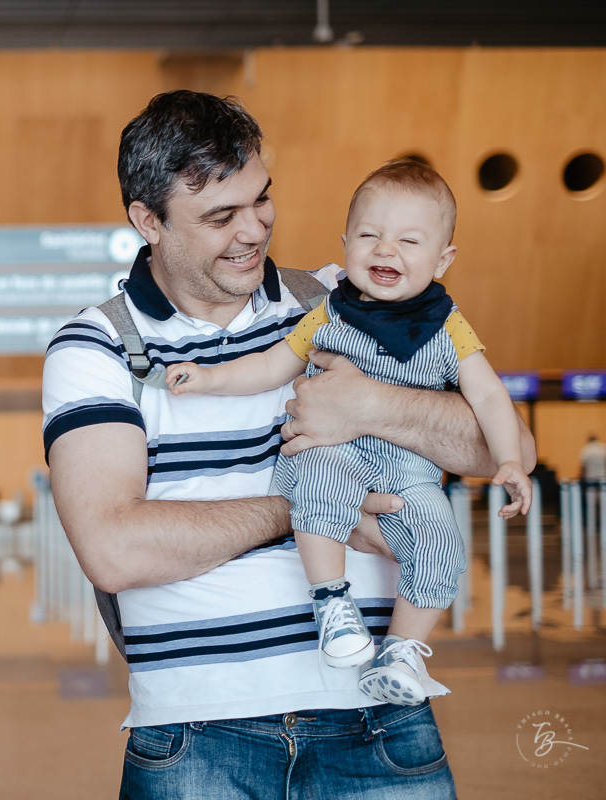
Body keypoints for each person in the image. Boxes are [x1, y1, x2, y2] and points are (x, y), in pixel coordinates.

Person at [41, 90, 535, 799]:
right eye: (220, 216)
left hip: (379, 722)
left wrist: (374, 404)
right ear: (148, 221)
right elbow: (114, 550)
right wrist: (312, 508)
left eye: (261, 199)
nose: (253, 229)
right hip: (196, 735)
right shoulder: (99, 346)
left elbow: (507, 445)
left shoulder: (341, 299)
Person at [164, 159, 531, 706]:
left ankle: (402, 651)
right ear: (345, 244)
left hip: (409, 472)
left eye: (409, 241)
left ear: (443, 259)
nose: (386, 250)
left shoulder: (449, 324)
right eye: (368, 236)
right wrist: (210, 378)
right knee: (318, 477)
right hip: (334, 450)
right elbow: (272, 365)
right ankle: (332, 601)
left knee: (440, 539)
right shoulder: (329, 311)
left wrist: (509, 460)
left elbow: (488, 396)